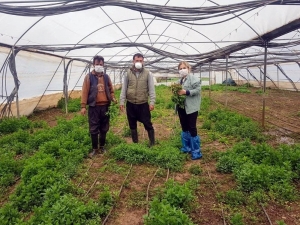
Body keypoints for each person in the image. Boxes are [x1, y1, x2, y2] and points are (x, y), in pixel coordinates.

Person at [81, 55, 117, 157]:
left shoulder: (106, 77)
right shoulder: (89, 77)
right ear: (93, 64)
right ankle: (94, 149)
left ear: (103, 65)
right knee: (93, 127)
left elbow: (111, 90)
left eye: (101, 64)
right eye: (97, 64)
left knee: (104, 127)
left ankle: (102, 147)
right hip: (94, 106)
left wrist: (113, 98)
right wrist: (83, 106)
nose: (99, 66)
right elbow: (84, 91)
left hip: (105, 106)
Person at [119, 53, 156, 147]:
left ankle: (152, 143)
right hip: (130, 104)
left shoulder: (148, 73)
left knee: (147, 123)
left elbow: (151, 89)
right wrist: (121, 101)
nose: (139, 62)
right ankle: (135, 144)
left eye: (140, 61)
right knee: (132, 124)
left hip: (143, 103)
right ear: (133, 61)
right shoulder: (128, 73)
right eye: (137, 60)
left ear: (143, 62)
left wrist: (152, 102)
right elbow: (124, 88)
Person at [176, 61, 202, 160]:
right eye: (180, 68)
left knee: (192, 127)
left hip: (191, 107)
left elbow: (198, 90)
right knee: (184, 127)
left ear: (188, 68)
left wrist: (186, 92)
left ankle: (195, 151)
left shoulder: (194, 79)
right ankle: (186, 147)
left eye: (184, 68)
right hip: (181, 107)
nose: (182, 70)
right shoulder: (180, 81)